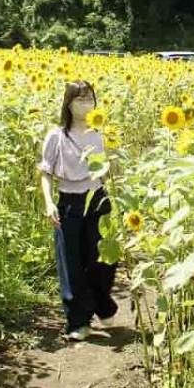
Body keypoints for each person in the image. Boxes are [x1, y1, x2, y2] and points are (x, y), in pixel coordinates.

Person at [38, 80, 118, 341]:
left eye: (90, 98)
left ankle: (103, 305)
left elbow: (112, 171)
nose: (86, 104)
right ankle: (77, 322)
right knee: (70, 263)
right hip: (69, 202)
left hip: (97, 200)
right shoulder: (56, 136)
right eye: (80, 99)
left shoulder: (101, 133)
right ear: (68, 103)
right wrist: (49, 203)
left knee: (103, 260)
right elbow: (46, 173)